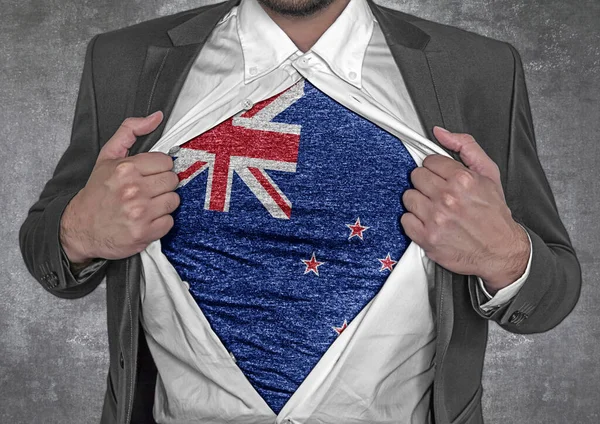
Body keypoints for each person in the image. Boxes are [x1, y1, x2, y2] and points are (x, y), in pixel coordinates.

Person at [19, 0, 582, 423]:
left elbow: (551, 296)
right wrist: (79, 231)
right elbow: (50, 252)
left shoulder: (477, 68)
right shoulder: (124, 58)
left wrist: (505, 254)